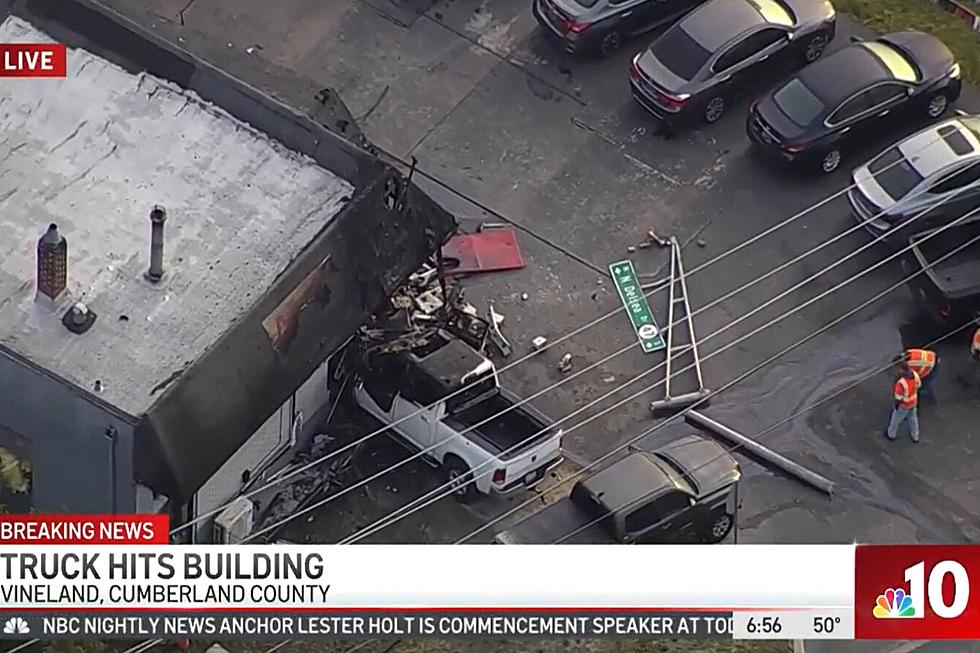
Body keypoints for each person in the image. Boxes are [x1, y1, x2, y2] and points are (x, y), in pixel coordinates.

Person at [886, 358, 921, 443]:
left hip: (904, 405)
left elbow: (898, 398)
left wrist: (897, 405)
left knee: (895, 420)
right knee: (913, 419)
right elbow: (919, 385)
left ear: (901, 370)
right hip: (913, 401)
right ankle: (915, 436)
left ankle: (891, 435)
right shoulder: (915, 374)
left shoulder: (901, 383)